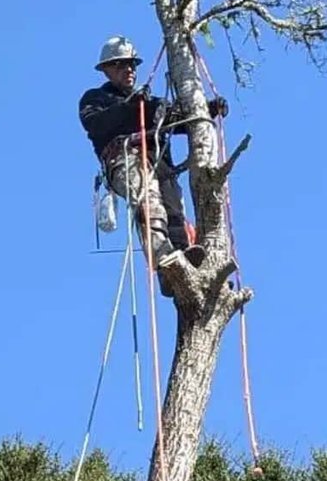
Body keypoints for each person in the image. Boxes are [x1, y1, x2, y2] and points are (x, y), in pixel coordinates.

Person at [78, 36, 228, 290]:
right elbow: (97, 124)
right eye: (121, 65)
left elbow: (176, 117)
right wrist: (132, 107)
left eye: (132, 65)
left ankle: (184, 260)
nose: (129, 70)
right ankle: (166, 262)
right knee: (149, 202)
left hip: (159, 163)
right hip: (126, 160)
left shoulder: (148, 103)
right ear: (106, 70)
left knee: (174, 212)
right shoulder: (95, 99)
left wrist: (207, 109)